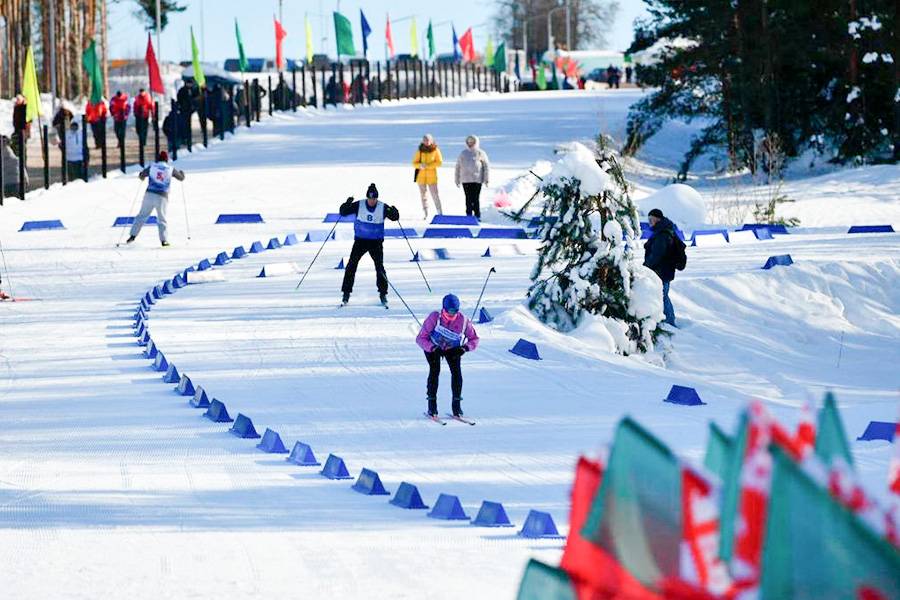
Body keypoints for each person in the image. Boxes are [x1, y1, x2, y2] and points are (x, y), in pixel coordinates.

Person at [415, 293, 479, 418]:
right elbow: (420, 339)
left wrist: (464, 348)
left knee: (456, 373)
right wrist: (432, 348)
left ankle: (457, 406)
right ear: (443, 309)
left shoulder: (463, 321)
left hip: (453, 349)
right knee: (435, 371)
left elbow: (474, 339)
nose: (451, 315)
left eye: (455, 311)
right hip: (433, 348)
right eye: (448, 311)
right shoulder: (434, 317)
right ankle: (432, 406)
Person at [338, 183, 400, 307]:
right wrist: (346, 204)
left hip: (375, 242)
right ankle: (346, 293)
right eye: (370, 199)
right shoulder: (359, 205)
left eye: (374, 199)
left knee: (379, 267)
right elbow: (343, 212)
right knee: (351, 265)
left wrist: (394, 211)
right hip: (360, 241)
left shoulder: (382, 207)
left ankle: (383, 293)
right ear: (367, 197)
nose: (372, 201)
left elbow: (394, 217)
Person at [126, 151, 185, 247]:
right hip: (162, 197)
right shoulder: (170, 169)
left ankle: (132, 236)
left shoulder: (152, 167)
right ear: (166, 159)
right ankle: (164, 240)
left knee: (141, 216)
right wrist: (182, 173)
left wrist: (142, 176)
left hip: (149, 195)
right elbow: (181, 178)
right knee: (162, 218)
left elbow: (141, 175)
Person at [643, 208, 679, 327]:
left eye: (651, 219)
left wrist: (646, 267)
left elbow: (657, 254)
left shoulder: (662, 234)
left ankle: (669, 321)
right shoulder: (663, 231)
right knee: (663, 295)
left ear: (657, 219)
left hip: (661, 271)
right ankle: (668, 319)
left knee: (662, 296)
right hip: (663, 270)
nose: (649, 222)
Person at [454, 135, 490, 219]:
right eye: (469, 142)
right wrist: (457, 179)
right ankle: (468, 215)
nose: (470, 144)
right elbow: (458, 167)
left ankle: (477, 215)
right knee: (468, 199)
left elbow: (486, 166)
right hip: (465, 180)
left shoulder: (480, 153)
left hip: (477, 180)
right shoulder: (463, 153)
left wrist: (486, 179)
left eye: (472, 142)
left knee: (476, 198)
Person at [413, 134, 443, 219]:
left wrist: (428, 166)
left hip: (432, 177)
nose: (426, 142)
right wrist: (420, 165)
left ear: (431, 140)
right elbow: (414, 163)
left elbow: (439, 162)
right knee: (423, 195)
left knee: (435, 195)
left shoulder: (435, 150)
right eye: (425, 140)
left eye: (428, 140)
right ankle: (426, 213)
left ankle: (440, 211)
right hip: (421, 177)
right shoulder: (420, 150)